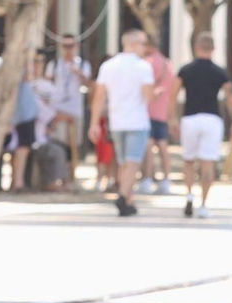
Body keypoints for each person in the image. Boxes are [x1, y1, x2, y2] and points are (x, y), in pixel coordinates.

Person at [90, 30, 156, 217]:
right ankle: (123, 194)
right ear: (133, 44)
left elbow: (99, 97)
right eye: (143, 43)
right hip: (137, 121)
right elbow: (148, 96)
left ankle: (128, 201)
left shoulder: (108, 66)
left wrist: (94, 123)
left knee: (122, 163)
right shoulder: (143, 67)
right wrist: (155, 93)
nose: (145, 48)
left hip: (116, 121)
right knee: (133, 162)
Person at [174, 32, 232, 219]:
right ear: (213, 49)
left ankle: (188, 194)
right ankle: (203, 204)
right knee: (207, 163)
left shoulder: (185, 70)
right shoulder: (220, 72)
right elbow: (230, 97)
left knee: (188, 160)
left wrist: (172, 119)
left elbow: (172, 94)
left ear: (196, 47)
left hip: (190, 118)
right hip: (212, 119)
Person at [45, 33, 92, 171]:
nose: (68, 49)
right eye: (65, 46)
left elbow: (89, 85)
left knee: (73, 144)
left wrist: (78, 72)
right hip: (56, 108)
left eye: (71, 46)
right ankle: (58, 173)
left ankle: (71, 175)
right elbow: (47, 85)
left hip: (74, 108)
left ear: (76, 47)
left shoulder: (83, 64)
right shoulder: (54, 64)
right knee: (57, 142)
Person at [140, 39, 177, 195]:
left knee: (148, 147)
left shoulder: (146, 63)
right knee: (162, 147)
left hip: (146, 110)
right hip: (162, 111)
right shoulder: (168, 64)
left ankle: (147, 180)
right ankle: (166, 180)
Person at [8, 54, 44, 192]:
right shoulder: (19, 72)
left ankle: (17, 181)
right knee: (21, 150)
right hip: (23, 115)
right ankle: (18, 182)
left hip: (25, 115)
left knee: (22, 149)